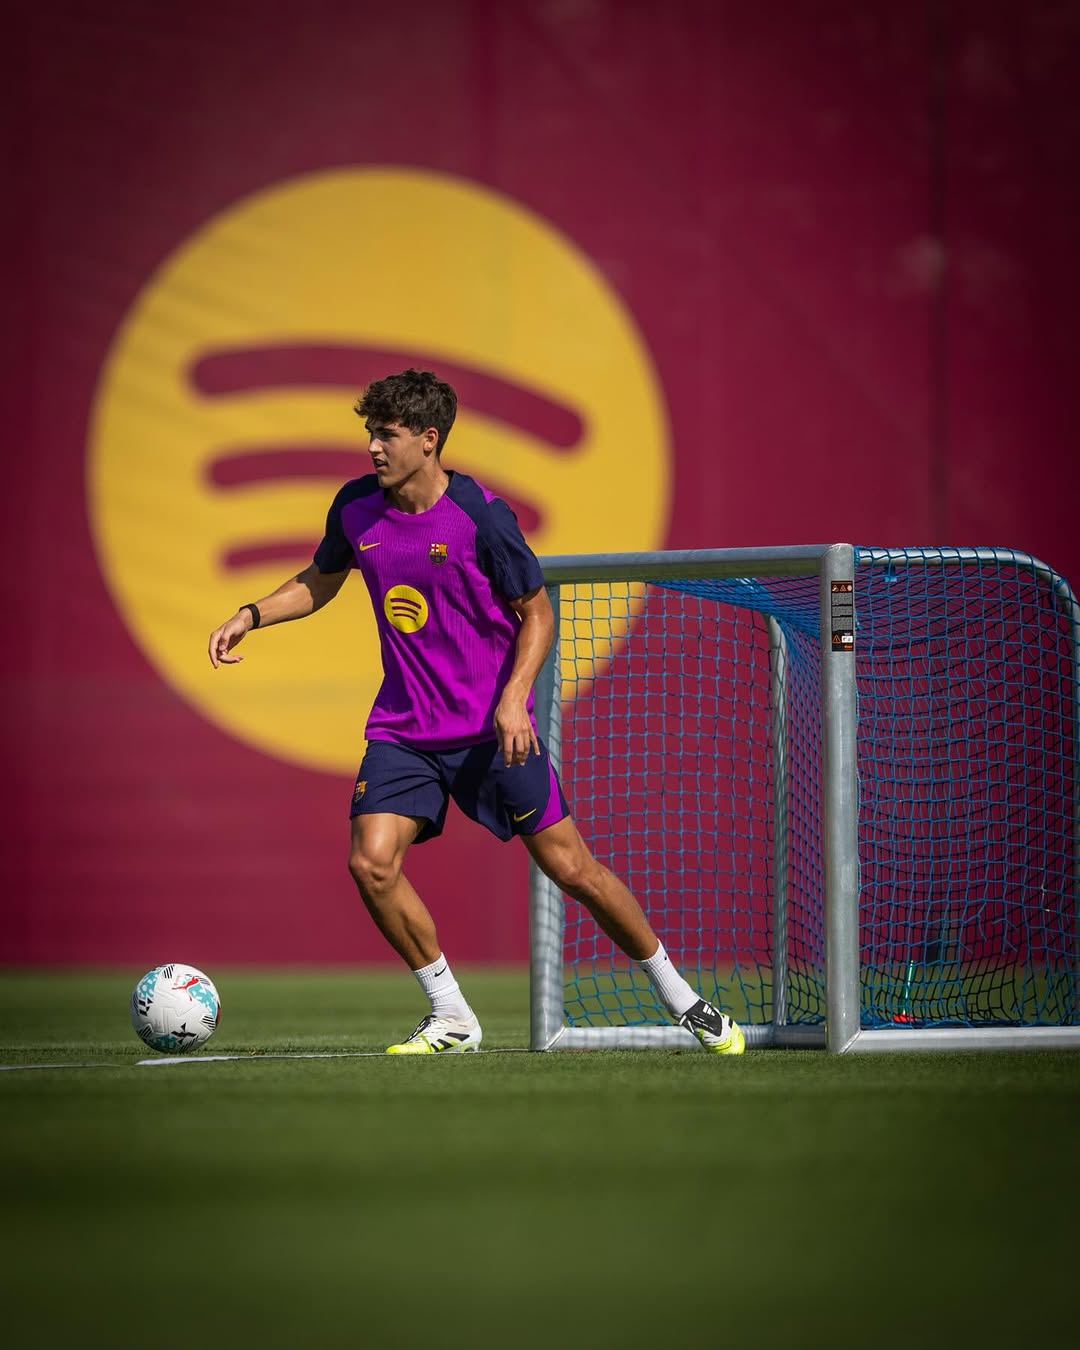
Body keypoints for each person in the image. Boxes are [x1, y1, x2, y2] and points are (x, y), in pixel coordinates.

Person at [208, 369, 744, 1057]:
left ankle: (684, 1000)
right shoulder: (355, 507)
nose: (373, 447)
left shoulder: (482, 517)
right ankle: (452, 1015)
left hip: (493, 733)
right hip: (404, 731)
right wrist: (251, 614)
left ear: (429, 439)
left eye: (387, 435)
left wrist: (515, 698)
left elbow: (537, 613)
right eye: (370, 433)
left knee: (574, 871)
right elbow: (322, 578)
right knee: (371, 863)